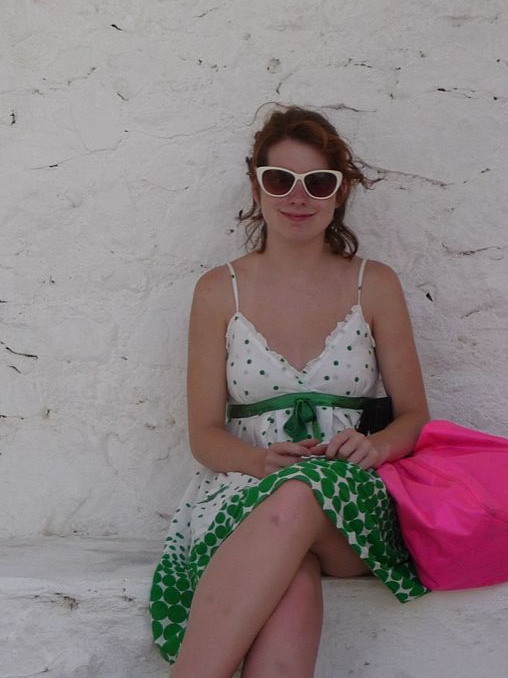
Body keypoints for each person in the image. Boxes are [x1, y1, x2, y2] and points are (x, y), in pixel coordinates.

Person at [149, 106, 430, 677]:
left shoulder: (374, 284)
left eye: (317, 183)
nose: (297, 197)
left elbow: (415, 417)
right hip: (243, 491)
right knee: (291, 580)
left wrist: (375, 447)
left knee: (300, 494)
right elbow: (204, 435)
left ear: (339, 193)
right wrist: (259, 462)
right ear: (257, 187)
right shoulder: (218, 291)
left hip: (349, 503)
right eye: (280, 179)